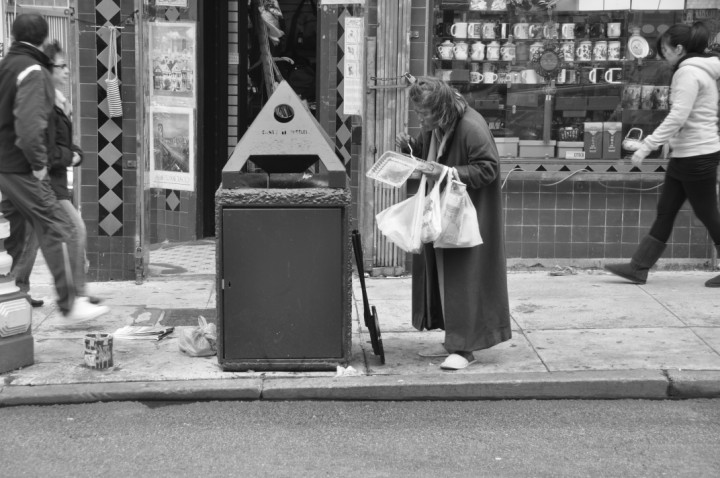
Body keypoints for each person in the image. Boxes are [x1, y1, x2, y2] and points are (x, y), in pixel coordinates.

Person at [395, 76, 511, 370]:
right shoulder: (441, 122)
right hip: (443, 210)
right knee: (444, 276)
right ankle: (454, 339)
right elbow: (433, 152)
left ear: (440, 108)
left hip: (465, 214)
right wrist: (412, 147)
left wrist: (446, 171)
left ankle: (464, 348)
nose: (420, 118)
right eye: (417, 112)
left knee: (464, 277)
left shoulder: (471, 126)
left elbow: (487, 169)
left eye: (424, 113)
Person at [0, 14, 108, 320]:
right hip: (22, 166)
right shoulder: (33, 71)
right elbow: (29, 127)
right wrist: (38, 164)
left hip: (6, 166)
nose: (64, 70)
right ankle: (70, 302)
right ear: (43, 39)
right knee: (58, 227)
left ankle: (15, 293)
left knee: (21, 235)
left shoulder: (6, 66)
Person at [604, 22, 720, 287]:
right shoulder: (701, 69)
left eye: (665, 50)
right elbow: (691, 115)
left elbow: (678, 115)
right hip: (688, 152)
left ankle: (638, 267)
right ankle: (638, 267)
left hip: (697, 155)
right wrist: (671, 141)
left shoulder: (688, 72)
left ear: (679, 49)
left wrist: (647, 146)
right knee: (666, 210)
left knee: (707, 213)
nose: (663, 55)